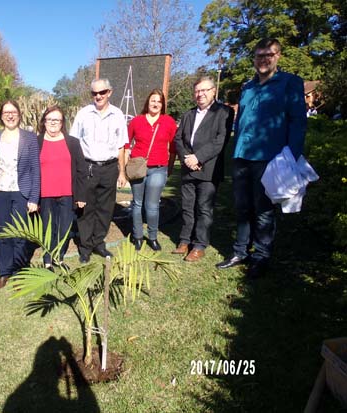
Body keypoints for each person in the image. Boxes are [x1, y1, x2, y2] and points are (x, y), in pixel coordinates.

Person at [216, 38, 307, 278]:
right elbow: (241, 120)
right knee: (242, 207)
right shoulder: (248, 87)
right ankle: (240, 251)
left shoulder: (290, 83)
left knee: (263, 210)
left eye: (269, 54)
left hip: (271, 158)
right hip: (242, 156)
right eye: (259, 55)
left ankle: (261, 256)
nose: (263, 59)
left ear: (278, 56)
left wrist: (290, 157)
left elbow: (298, 122)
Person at [173, 77, 234, 262]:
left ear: (213, 91)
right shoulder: (188, 114)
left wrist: (198, 157)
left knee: (204, 208)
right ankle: (185, 240)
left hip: (209, 168)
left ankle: (199, 245)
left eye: (205, 90)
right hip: (188, 168)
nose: (201, 94)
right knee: (187, 207)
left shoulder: (224, 112)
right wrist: (187, 158)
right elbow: (178, 139)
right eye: (198, 91)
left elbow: (220, 140)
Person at [70, 78, 128, 263]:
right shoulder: (83, 114)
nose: (98, 96)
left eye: (102, 92)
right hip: (88, 167)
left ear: (109, 92)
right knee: (86, 209)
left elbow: (121, 146)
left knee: (105, 209)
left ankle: (98, 243)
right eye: (94, 93)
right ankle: (85, 247)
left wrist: (122, 172)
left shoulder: (118, 114)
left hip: (110, 168)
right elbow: (74, 142)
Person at [0, 100, 40, 288]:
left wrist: (34, 197)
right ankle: (4, 272)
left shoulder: (29, 137)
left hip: (21, 191)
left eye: (13, 112)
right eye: (6, 112)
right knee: (4, 233)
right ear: (1, 116)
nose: (10, 116)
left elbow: (36, 168)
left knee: (19, 233)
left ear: (19, 115)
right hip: (0, 192)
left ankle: (19, 271)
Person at [37, 106, 88, 269]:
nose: (53, 123)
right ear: (44, 122)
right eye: (50, 119)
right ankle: (47, 260)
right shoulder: (36, 141)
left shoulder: (72, 142)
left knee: (64, 227)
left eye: (57, 120)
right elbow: (31, 169)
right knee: (47, 228)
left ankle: (59, 257)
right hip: (45, 195)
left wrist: (81, 196)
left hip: (67, 194)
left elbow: (82, 170)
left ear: (62, 123)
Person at [128, 89, 177, 251]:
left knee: (152, 205)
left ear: (162, 105)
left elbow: (174, 148)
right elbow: (126, 144)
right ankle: (138, 236)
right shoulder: (137, 121)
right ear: (147, 103)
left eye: (159, 101)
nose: (155, 104)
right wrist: (126, 165)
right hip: (138, 168)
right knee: (136, 203)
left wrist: (169, 168)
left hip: (158, 169)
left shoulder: (168, 122)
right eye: (153, 100)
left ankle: (153, 236)